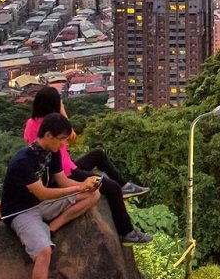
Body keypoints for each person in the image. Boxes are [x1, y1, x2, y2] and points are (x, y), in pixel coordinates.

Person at [2, 113, 102, 279]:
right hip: (22, 212)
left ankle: (53, 227)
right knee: (44, 253)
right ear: (47, 135)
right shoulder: (22, 161)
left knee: (94, 195)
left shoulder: (52, 152)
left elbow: (62, 181)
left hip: (44, 206)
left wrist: (85, 185)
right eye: (62, 139)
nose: (64, 144)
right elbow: (42, 192)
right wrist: (78, 189)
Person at [24, 86, 152, 245]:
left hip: (65, 167)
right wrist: (62, 109)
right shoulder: (54, 124)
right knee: (112, 188)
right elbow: (72, 137)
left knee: (98, 155)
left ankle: (124, 185)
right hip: (65, 173)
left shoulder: (31, 123)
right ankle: (127, 232)